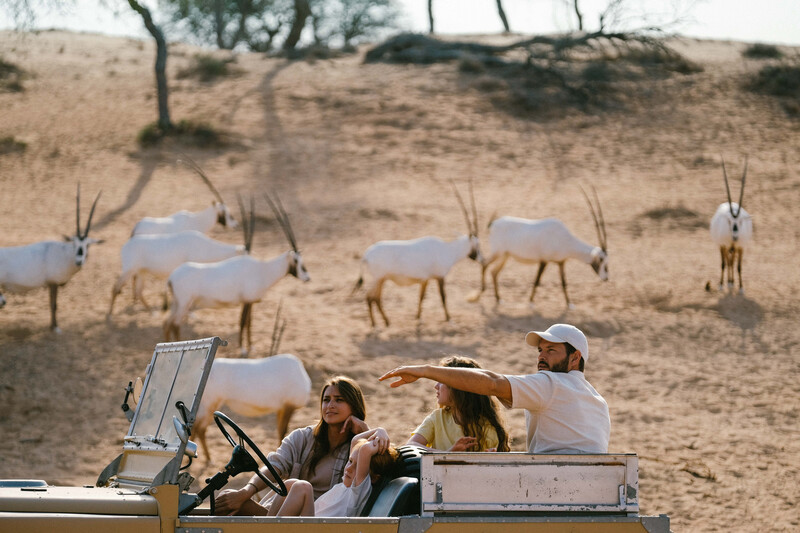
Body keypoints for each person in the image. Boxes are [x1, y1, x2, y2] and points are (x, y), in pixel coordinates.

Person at [380, 324, 610, 454]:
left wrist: (424, 371)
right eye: (540, 350)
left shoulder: (550, 384)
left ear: (575, 358)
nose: (541, 356)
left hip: (554, 485)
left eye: (551, 350)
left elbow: (492, 383)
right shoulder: (598, 400)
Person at [214, 376, 380, 515]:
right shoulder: (302, 437)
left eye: (339, 400)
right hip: (284, 510)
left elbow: (372, 472)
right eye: (326, 400)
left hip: (318, 517)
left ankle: (269, 527)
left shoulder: (356, 449)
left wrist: (363, 430)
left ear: (354, 406)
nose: (330, 406)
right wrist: (245, 492)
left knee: (300, 487)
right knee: (227, 501)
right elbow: (275, 466)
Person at [267, 427, 399, 517]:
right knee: (290, 483)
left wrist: (379, 440)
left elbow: (365, 450)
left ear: (373, 478)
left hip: (319, 528)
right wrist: (380, 430)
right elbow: (355, 440)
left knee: (303, 487)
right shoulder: (345, 486)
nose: (348, 468)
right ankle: (265, 527)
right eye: (350, 461)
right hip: (309, 521)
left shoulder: (359, 491)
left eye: (357, 467)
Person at [408, 355, 510, 452]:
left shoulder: (487, 427)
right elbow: (411, 446)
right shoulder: (437, 418)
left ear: (459, 387)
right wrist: (447, 454)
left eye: (441, 381)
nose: (436, 386)